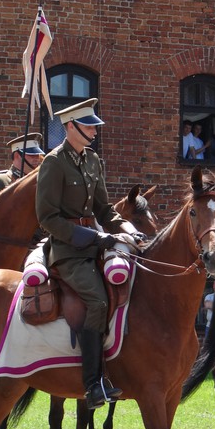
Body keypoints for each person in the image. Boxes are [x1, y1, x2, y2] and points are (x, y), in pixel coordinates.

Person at [36, 98, 143, 410]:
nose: (95, 131)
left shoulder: (93, 160)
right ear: (70, 127)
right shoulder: (53, 163)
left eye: (95, 125)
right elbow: (47, 218)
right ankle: (93, 384)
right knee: (97, 300)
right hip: (68, 252)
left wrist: (127, 229)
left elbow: (104, 209)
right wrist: (96, 237)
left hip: (96, 245)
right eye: (88, 126)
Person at [0, 133, 46, 204]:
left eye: (37, 155)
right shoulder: (0, 180)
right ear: (17, 155)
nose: (37, 159)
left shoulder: (39, 183)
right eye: (31, 155)